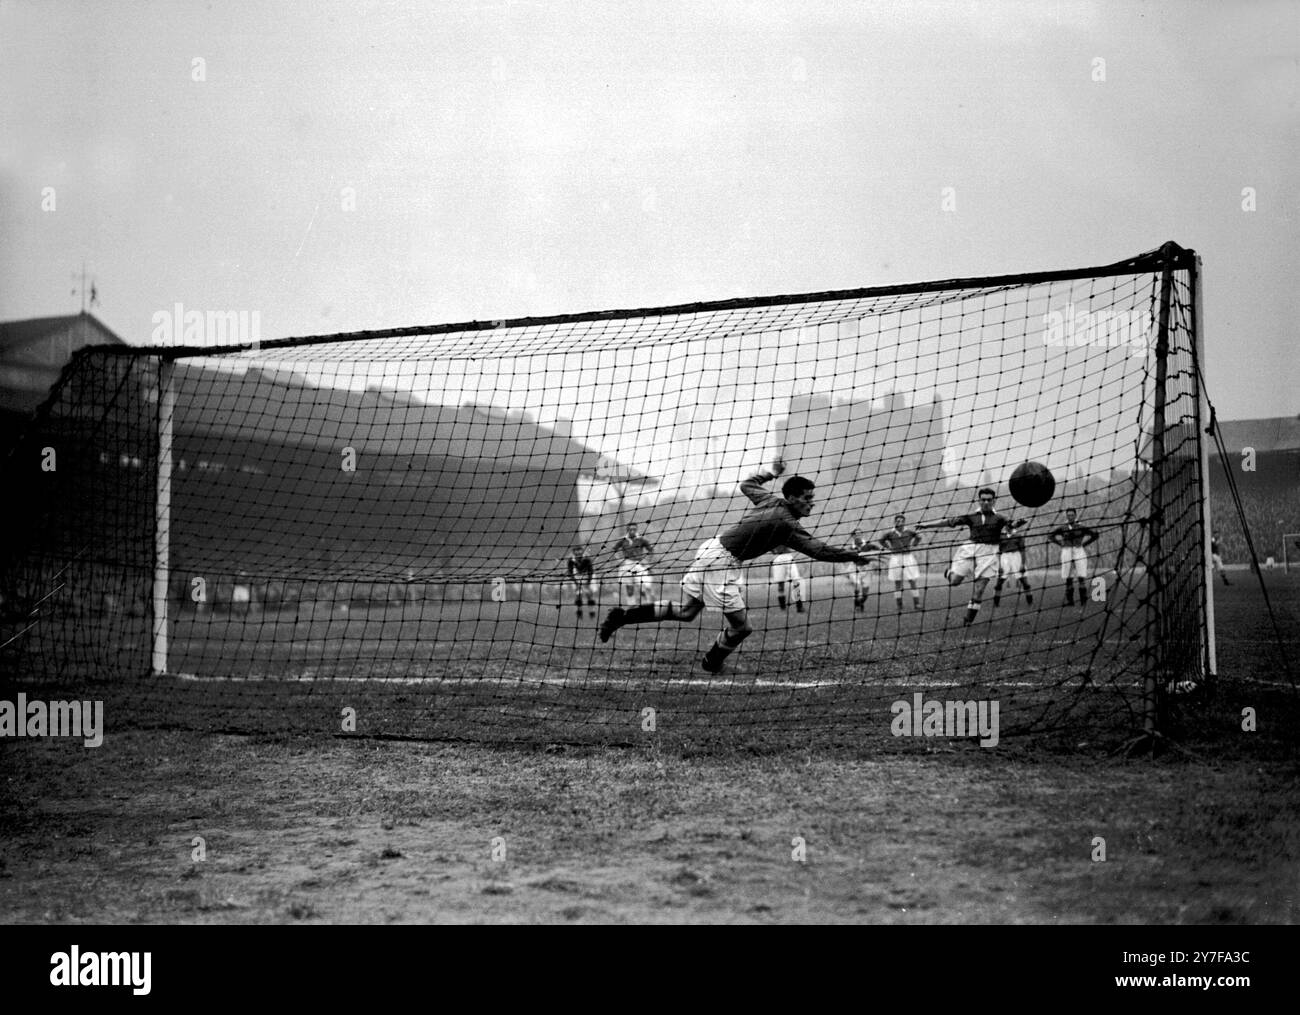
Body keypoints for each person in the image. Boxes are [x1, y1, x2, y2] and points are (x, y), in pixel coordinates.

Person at [597, 459, 880, 672]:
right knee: (743, 628)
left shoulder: (770, 498)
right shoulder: (786, 524)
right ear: (792, 497)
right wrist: (854, 556)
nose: (811, 503)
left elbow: (746, 485)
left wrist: (772, 473)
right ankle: (712, 662)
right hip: (722, 562)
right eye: (807, 498)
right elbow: (819, 551)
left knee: (686, 612)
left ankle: (622, 616)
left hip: (712, 548)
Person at [916, 488, 1026, 626]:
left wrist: (1017, 524)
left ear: (994, 501)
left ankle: (967, 621)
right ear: (978, 500)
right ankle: (949, 573)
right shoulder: (971, 517)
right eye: (983, 499)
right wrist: (926, 525)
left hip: (989, 553)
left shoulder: (1000, 518)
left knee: (979, 589)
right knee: (955, 582)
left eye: (989, 500)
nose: (986, 502)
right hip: (970, 550)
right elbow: (949, 522)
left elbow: (1010, 525)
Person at [1049, 508, 1099, 607]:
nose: (1070, 517)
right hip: (1066, 551)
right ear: (1066, 516)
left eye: (1072, 515)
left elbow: (1095, 535)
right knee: (1068, 577)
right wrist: (1060, 543)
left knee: (1081, 576)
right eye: (1068, 515)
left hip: (1079, 551)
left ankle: (1083, 601)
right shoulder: (1062, 528)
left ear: (1075, 516)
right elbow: (1050, 536)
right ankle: (1070, 601)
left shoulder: (1081, 527)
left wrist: (1084, 544)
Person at [876, 515, 923, 612]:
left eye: (901, 521)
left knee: (912, 580)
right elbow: (881, 540)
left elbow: (918, 537)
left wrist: (915, 544)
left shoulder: (909, 532)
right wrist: (888, 547)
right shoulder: (890, 533)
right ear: (895, 522)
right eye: (897, 521)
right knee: (897, 582)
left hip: (907, 557)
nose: (899, 522)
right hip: (896, 558)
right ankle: (899, 605)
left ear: (904, 522)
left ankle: (917, 604)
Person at [611, 522, 655, 606]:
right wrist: (619, 560)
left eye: (634, 529)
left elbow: (651, 550)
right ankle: (632, 607)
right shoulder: (623, 540)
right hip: (627, 565)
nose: (632, 531)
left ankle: (645, 606)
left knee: (643, 587)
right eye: (630, 529)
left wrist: (647, 561)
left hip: (638, 564)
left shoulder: (641, 539)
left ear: (636, 529)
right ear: (627, 530)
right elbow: (614, 550)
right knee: (629, 589)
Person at [993, 515, 1034, 607]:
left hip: (1016, 556)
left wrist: (1022, 564)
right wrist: (999, 566)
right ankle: (996, 603)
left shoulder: (1018, 535)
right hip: (1004, 557)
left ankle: (1030, 601)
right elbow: (998, 552)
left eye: (1009, 524)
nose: (1007, 526)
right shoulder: (1001, 536)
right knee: (999, 582)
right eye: (1006, 525)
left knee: (1024, 581)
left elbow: (1022, 550)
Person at [563, 544, 599, 619]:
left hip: (588, 576)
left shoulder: (587, 558)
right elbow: (570, 572)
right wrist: (576, 583)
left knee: (589, 594)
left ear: (582, 551)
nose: (578, 552)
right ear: (573, 552)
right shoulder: (571, 560)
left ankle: (591, 611)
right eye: (576, 550)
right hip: (577, 576)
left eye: (579, 550)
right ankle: (579, 612)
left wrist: (587, 583)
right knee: (578, 595)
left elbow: (591, 571)